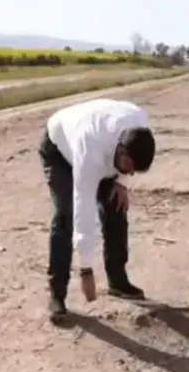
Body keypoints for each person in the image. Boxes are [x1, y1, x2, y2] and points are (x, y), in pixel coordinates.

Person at [38, 98, 156, 324]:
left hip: (104, 149)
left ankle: (118, 281)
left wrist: (121, 181)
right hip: (60, 151)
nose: (130, 174)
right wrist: (86, 269)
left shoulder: (139, 124)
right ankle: (57, 294)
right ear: (121, 150)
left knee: (117, 206)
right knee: (67, 215)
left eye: (134, 171)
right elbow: (84, 208)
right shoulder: (90, 148)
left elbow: (127, 168)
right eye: (128, 169)